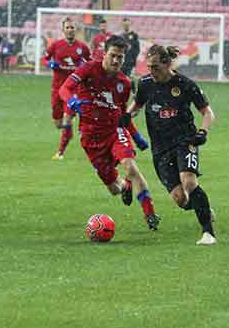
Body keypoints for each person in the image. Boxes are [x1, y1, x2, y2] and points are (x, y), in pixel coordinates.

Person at [58, 35, 160, 231]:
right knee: (114, 189)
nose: (116, 61)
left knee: (130, 167)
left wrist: (135, 135)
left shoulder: (125, 83)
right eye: (113, 55)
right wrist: (71, 100)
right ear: (104, 54)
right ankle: (126, 187)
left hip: (114, 131)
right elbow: (65, 88)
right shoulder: (88, 69)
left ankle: (150, 214)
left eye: (120, 57)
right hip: (90, 138)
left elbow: (122, 114)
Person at [124, 44, 217, 245]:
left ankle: (208, 233)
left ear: (167, 64)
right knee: (180, 199)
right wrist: (127, 115)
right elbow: (137, 106)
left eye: (155, 67)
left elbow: (208, 113)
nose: (151, 71)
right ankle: (204, 208)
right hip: (160, 148)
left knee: (189, 182)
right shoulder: (146, 83)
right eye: (149, 67)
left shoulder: (185, 84)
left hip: (185, 140)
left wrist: (203, 132)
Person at [42, 18, 91, 160]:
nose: (70, 30)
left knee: (67, 119)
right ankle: (68, 133)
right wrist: (50, 64)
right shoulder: (56, 45)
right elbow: (44, 59)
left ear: (76, 30)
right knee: (58, 123)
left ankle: (60, 152)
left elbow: (90, 63)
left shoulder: (83, 47)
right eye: (67, 27)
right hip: (57, 88)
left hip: (74, 89)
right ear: (63, 30)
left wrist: (85, 68)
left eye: (72, 27)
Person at [120, 18, 140, 89]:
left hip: (130, 62)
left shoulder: (134, 35)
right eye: (125, 25)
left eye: (127, 25)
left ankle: (134, 92)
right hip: (122, 62)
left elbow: (137, 49)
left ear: (129, 24)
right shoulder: (120, 36)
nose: (126, 26)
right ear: (122, 25)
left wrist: (133, 58)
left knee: (129, 78)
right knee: (121, 78)